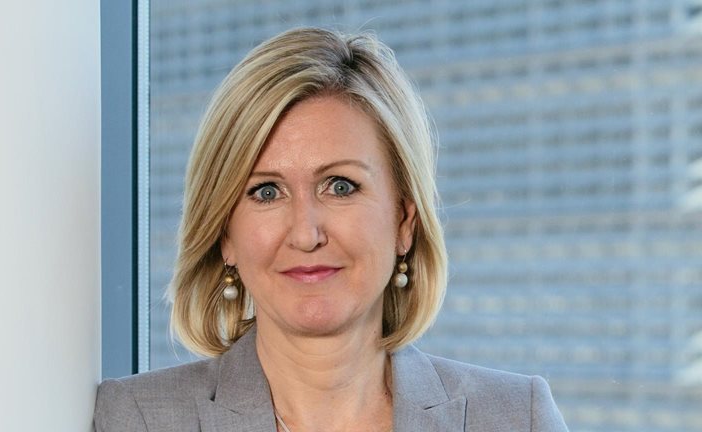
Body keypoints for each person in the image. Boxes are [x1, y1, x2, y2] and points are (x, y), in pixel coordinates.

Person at [94, 27, 569, 432]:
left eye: (340, 186)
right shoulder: (140, 419)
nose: (306, 234)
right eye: (265, 192)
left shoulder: (513, 417)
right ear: (225, 236)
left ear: (404, 221)